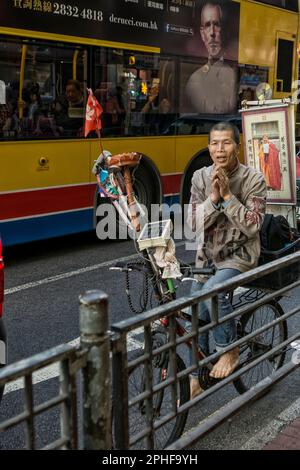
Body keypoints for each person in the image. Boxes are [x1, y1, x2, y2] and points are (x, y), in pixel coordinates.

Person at [187, 121, 267, 398]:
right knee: (194, 315)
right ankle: (197, 376)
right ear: (208, 146)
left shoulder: (254, 179)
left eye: (226, 143)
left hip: (240, 255)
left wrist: (228, 197)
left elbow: (253, 226)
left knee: (214, 292)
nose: (219, 149)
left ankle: (229, 350)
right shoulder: (199, 177)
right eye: (214, 143)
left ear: (238, 145)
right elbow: (194, 224)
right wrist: (212, 197)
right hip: (206, 257)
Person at [185, 1, 237, 114]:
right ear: (202, 34)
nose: (212, 33)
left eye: (216, 24)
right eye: (208, 25)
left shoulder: (233, 73)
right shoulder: (195, 79)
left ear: (224, 30)